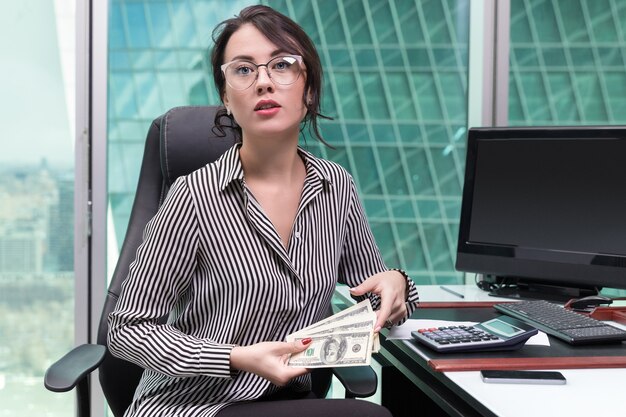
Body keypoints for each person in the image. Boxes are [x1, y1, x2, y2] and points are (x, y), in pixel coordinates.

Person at [108, 5, 420, 417]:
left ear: (308, 90)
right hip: (193, 403)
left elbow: (374, 298)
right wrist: (235, 357)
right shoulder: (193, 197)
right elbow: (127, 330)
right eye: (243, 70)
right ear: (226, 97)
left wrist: (398, 283)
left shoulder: (335, 187)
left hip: (287, 401)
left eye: (282, 65)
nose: (264, 82)